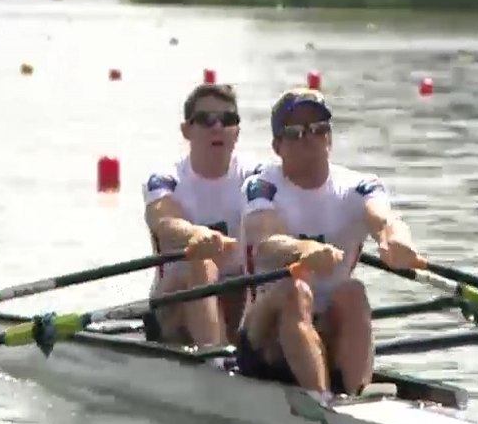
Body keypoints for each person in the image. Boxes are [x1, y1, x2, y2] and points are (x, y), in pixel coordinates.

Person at [235, 87, 425, 402]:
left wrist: (397, 241)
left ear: (330, 138)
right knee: (295, 289)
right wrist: (303, 250)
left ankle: (354, 396)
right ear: (277, 146)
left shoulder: (360, 186)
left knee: (353, 291)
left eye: (319, 129)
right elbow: (266, 241)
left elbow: (385, 220)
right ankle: (321, 399)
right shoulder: (261, 185)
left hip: (328, 331)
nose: (309, 138)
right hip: (265, 340)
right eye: (295, 132)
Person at [141, 82, 263, 347]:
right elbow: (165, 221)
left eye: (227, 120)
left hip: (236, 300)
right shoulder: (166, 178)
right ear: (187, 130)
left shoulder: (257, 177)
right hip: (173, 307)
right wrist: (197, 234)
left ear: (237, 131)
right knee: (202, 263)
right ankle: (217, 359)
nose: (218, 127)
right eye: (206, 120)